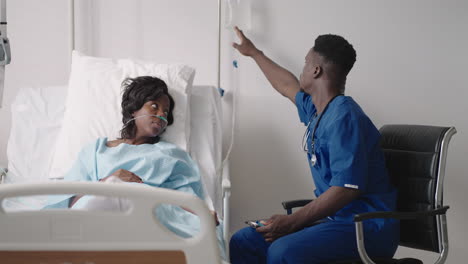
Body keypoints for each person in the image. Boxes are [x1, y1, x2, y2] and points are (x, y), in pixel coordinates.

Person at [229, 27, 399, 263]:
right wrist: (254, 53)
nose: (302, 69)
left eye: (306, 63)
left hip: (366, 227)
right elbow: (286, 85)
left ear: (316, 70)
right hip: (336, 221)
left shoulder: (345, 117)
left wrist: (292, 221)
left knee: (283, 251)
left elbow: (347, 188)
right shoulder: (318, 110)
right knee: (245, 241)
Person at [44, 76, 226, 259]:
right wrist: (106, 182)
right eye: (154, 106)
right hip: (97, 212)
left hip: (151, 213)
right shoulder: (95, 151)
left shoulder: (170, 155)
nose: (161, 115)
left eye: (166, 111)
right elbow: (69, 202)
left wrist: (204, 213)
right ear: (133, 109)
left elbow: (185, 201)